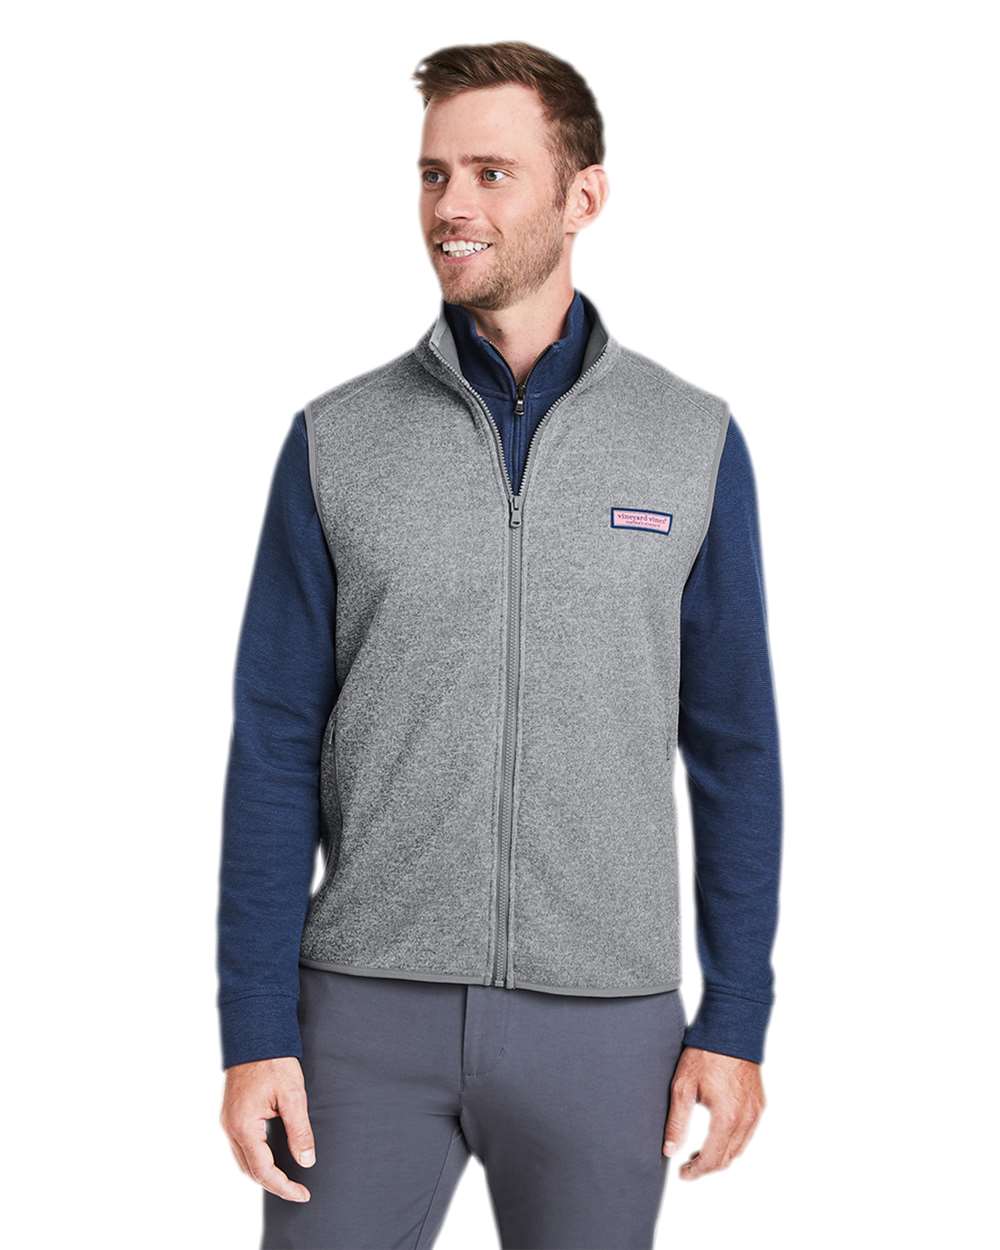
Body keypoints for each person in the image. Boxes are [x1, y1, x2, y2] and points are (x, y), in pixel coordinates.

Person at [217, 39, 783, 1250]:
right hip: (360, 1020)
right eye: (433, 174)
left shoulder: (688, 442)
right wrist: (255, 1025)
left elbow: (735, 747)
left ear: (583, 196)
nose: (451, 207)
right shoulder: (336, 441)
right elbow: (273, 742)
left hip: (606, 1022)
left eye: (490, 172)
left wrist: (736, 1012)